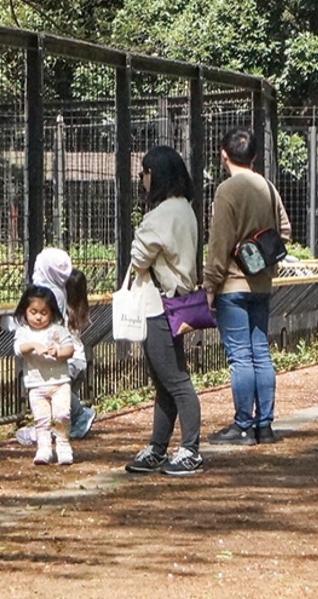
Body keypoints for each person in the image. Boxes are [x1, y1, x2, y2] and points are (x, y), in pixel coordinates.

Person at [205, 129, 292, 446]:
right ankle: (264, 425)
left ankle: (242, 425)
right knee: (260, 354)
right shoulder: (267, 187)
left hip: (231, 283)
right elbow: (285, 231)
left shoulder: (226, 190)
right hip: (262, 283)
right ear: (254, 156)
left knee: (240, 357)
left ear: (223, 154)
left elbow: (219, 243)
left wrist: (210, 285)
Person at [124, 145, 205, 476]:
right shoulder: (185, 208)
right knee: (165, 380)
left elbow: (139, 258)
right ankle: (158, 447)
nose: (141, 179)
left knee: (174, 380)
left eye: (143, 172)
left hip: (159, 307)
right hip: (176, 304)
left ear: (153, 175)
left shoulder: (159, 216)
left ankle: (190, 448)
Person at [27, 249, 96, 442]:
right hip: (73, 358)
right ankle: (51, 428)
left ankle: (81, 413)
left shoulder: (50, 294)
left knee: (52, 388)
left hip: (66, 360)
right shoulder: (61, 294)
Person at [12, 284, 75, 465]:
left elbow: (69, 350)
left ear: (52, 312)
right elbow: (18, 349)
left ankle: (63, 446)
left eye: (43, 312)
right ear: (25, 311)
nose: (38, 317)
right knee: (42, 419)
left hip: (60, 382)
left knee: (62, 415)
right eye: (33, 312)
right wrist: (33, 345)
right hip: (36, 384)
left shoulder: (59, 330)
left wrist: (58, 352)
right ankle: (44, 449)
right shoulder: (24, 332)